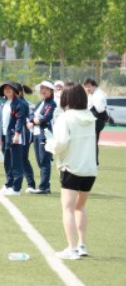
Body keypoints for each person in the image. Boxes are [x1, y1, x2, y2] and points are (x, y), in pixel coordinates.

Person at [46, 83, 98, 260]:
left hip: (71, 168)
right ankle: (81, 245)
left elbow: (60, 143)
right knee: (80, 206)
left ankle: (72, 249)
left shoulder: (65, 117)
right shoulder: (90, 117)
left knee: (67, 209)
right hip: (89, 169)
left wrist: (49, 145)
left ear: (67, 98)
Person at [0, 81, 29, 196]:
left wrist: (17, 134)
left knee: (16, 162)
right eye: (5, 88)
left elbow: (20, 120)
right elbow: (1, 121)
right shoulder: (4, 103)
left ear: (15, 91)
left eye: (10, 88)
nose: (7, 90)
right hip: (5, 135)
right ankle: (9, 184)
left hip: (14, 136)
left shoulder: (19, 103)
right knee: (7, 162)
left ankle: (16, 188)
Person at [27, 81, 57, 195]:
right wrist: (33, 120)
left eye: (46, 88)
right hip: (36, 134)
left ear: (51, 91)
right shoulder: (41, 102)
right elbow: (32, 114)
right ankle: (45, 186)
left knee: (44, 160)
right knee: (40, 160)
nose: (43, 90)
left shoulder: (51, 103)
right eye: (42, 88)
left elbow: (46, 117)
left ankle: (44, 187)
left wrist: (35, 121)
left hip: (45, 134)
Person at [83, 79, 107, 166]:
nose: (87, 88)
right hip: (96, 120)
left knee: (92, 141)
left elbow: (100, 109)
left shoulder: (97, 95)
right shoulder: (93, 94)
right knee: (92, 141)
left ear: (94, 86)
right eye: (86, 87)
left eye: (89, 86)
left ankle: (94, 161)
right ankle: (93, 161)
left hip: (97, 120)